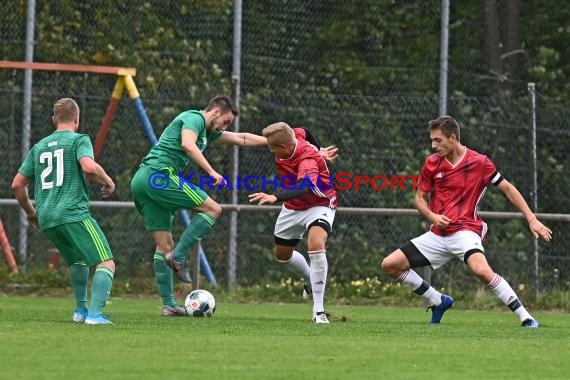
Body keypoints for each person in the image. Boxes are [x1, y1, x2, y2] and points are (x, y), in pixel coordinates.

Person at [381, 116, 552, 328]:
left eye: (438, 140)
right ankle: (438, 300)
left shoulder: (479, 162)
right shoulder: (432, 163)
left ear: (452, 138)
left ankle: (525, 317)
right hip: (438, 234)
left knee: (481, 270)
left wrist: (531, 218)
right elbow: (419, 198)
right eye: (432, 140)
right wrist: (433, 216)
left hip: (465, 231)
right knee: (390, 265)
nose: (433, 145)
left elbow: (507, 188)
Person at [130, 95, 268, 316]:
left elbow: (240, 138)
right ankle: (179, 256)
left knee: (163, 246)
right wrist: (212, 172)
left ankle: (168, 305)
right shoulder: (194, 118)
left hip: (141, 181)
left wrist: (270, 142)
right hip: (158, 176)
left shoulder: (207, 132)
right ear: (215, 112)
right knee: (213, 209)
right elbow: (187, 144)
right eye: (226, 121)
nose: (225, 127)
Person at [12, 97, 116, 325]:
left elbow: (17, 184)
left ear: (53, 120)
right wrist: (108, 181)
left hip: (47, 216)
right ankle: (95, 315)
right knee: (106, 262)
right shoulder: (79, 140)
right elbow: (88, 166)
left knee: (78, 260)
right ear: (77, 119)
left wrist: (31, 212)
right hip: (72, 213)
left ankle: (80, 311)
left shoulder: (39, 147)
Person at [248, 122, 339, 324]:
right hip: (292, 206)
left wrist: (274, 196)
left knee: (315, 243)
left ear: (284, 147)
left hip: (319, 203)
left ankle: (319, 310)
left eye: (272, 149)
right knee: (282, 256)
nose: (271, 151)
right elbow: (306, 131)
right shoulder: (292, 135)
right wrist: (320, 148)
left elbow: (304, 187)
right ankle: (309, 279)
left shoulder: (307, 159)